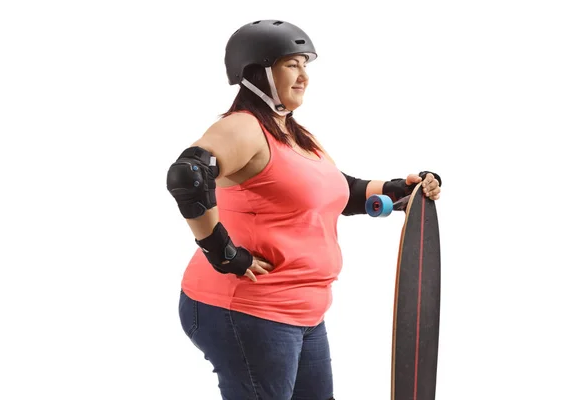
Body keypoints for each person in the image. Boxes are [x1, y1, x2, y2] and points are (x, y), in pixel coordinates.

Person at [166, 19, 442, 400]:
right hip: (248, 309)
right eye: (291, 65)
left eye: (305, 66)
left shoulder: (294, 135)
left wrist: (399, 190)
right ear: (257, 72)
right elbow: (188, 176)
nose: (304, 76)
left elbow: (341, 190)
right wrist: (223, 253)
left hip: (303, 312)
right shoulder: (244, 128)